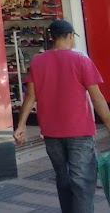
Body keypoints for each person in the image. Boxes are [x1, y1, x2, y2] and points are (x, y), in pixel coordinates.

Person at [15, 19, 110, 213]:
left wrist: (21, 125)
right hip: (80, 132)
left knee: (64, 180)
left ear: (51, 37)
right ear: (70, 36)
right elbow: (97, 98)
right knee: (82, 182)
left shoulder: (37, 61)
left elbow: (30, 96)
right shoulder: (81, 60)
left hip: (51, 133)